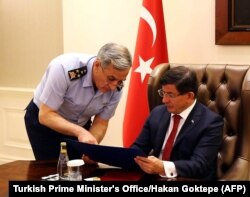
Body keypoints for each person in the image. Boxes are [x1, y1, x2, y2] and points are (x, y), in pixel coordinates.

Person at [24, 43, 132, 160]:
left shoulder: (116, 88)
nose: (113, 86)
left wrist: (90, 149)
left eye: (121, 80)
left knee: (79, 169)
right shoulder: (64, 68)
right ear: (97, 64)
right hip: (44, 124)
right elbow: (46, 115)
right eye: (111, 78)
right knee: (52, 171)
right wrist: (81, 132)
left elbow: (101, 122)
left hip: (79, 126)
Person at [132, 66, 223, 180]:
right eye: (163, 93)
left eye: (170, 95)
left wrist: (163, 167)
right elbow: (139, 147)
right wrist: (123, 157)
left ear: (189, 96)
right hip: (152, 178)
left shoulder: (211, 122)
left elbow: (200, 165)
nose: (164, 100)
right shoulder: (157, 112)